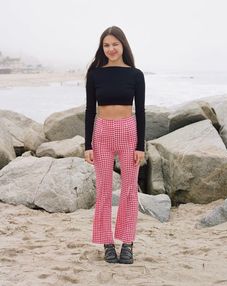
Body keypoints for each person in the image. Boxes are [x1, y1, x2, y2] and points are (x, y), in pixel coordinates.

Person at [84, 26, 145, 264]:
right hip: (102, 133)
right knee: (104, 191)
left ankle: (127, 244)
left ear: (123, 46)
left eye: (115, 44)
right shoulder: (95, 74)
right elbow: (90, 110)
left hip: (129, 132)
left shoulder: (135, 75)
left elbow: (140, 110)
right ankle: (107, 243)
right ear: (102, 48)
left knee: (129, 190)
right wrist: (87, 144)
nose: (110, 49)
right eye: (106, 45)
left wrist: (141, 145)